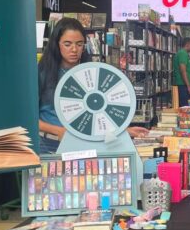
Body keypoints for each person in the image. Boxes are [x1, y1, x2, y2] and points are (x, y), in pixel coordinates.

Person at [38, 17, 146, 154]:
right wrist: (58, 131)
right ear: (56, 44)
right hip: (50, 146)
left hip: (84, 146)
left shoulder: (90, 73)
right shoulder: (42, 73)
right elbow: (27, 118)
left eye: (79, 44)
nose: (74, 49)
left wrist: (123, 131)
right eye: (67, 44)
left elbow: (97, 117)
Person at [173, 37, 190, 107]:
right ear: (187, 44)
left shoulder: (184, 53)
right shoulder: (182, 53)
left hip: (184, 85)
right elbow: (183, 70)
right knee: (185, 107)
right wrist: (188, 86)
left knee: (187, 107)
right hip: (183, 86)